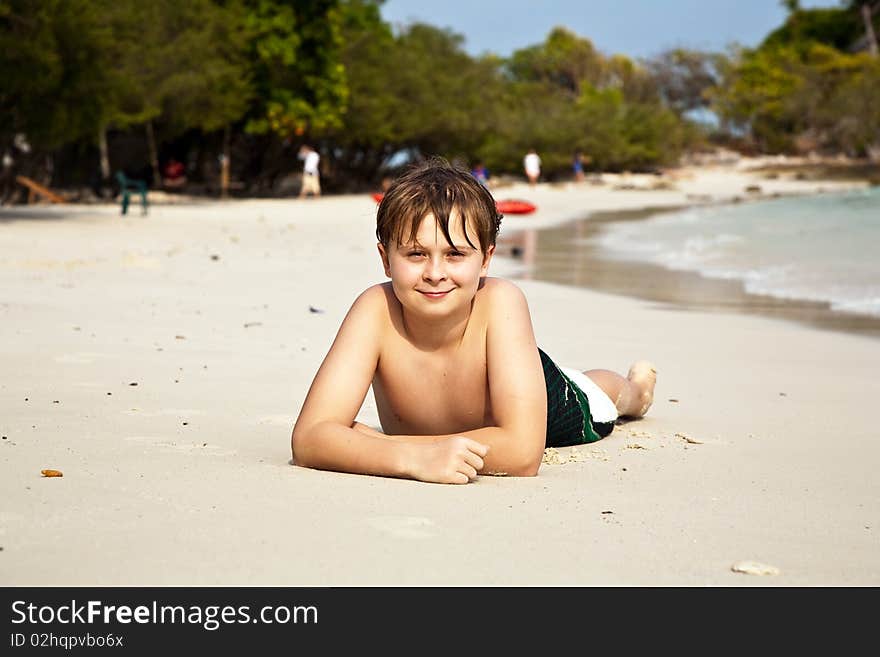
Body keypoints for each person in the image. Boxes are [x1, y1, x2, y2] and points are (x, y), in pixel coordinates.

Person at [290, 157, 656, 484]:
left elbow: (523, 453)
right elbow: (309, 438)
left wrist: (379, 445)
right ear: (386, 260)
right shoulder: (375, 310)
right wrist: (410, 457)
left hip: (552, 395)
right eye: (416, 254)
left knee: (597, 391)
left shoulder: (500, 301)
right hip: (496, 395)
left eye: (454, 254)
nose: (435, 273)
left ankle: (637, 390)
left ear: (485, 259)